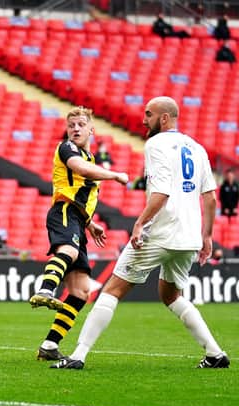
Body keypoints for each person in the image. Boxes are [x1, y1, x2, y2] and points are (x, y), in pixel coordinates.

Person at [51, 96, 229, 370]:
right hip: (189, 236)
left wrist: (139, 223)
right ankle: (215, 353)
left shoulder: (156, 144)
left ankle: (78, 355)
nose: (144, 120)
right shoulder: (197, 147)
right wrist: (206, 236)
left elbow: (161, 193)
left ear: (165, 118)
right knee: (171, 295)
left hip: (160, 231)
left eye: (149, 114)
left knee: (111, 290)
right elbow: (210, 198)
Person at [28, 106, 129, 361]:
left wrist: (90, 223)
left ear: (91, 130)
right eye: (71, 125)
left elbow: (84, 192)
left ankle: (49, 346)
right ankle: (46, 288)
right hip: (63, 211)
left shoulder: (90, 158)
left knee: (81, 291)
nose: (75, 129)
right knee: (69, 252)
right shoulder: (67, 149)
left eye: (80, 125)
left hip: (77, 219)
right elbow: (80, 170)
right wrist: (115, 174)